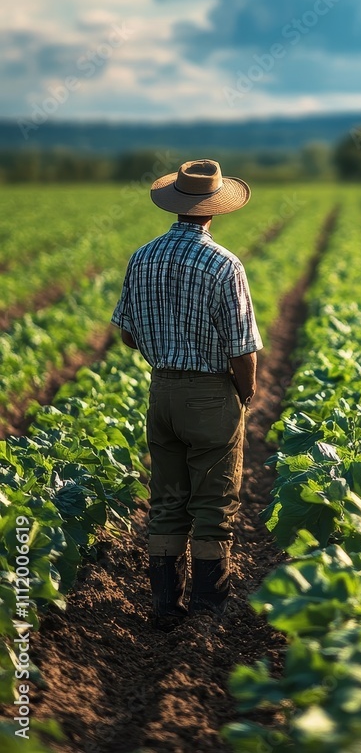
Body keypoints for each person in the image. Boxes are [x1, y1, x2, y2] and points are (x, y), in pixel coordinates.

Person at [111, 158, 262, 631]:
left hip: (163, 393)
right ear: (215, 209)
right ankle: (207, 608)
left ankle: (163, 606)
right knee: (214, 507)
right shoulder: (224, 264)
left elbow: (127, 335)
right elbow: (241, 349)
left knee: (168, 501)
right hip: (210, 394)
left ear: (176, 206)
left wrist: (165, 348)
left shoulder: (143, 257)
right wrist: (245, 393)